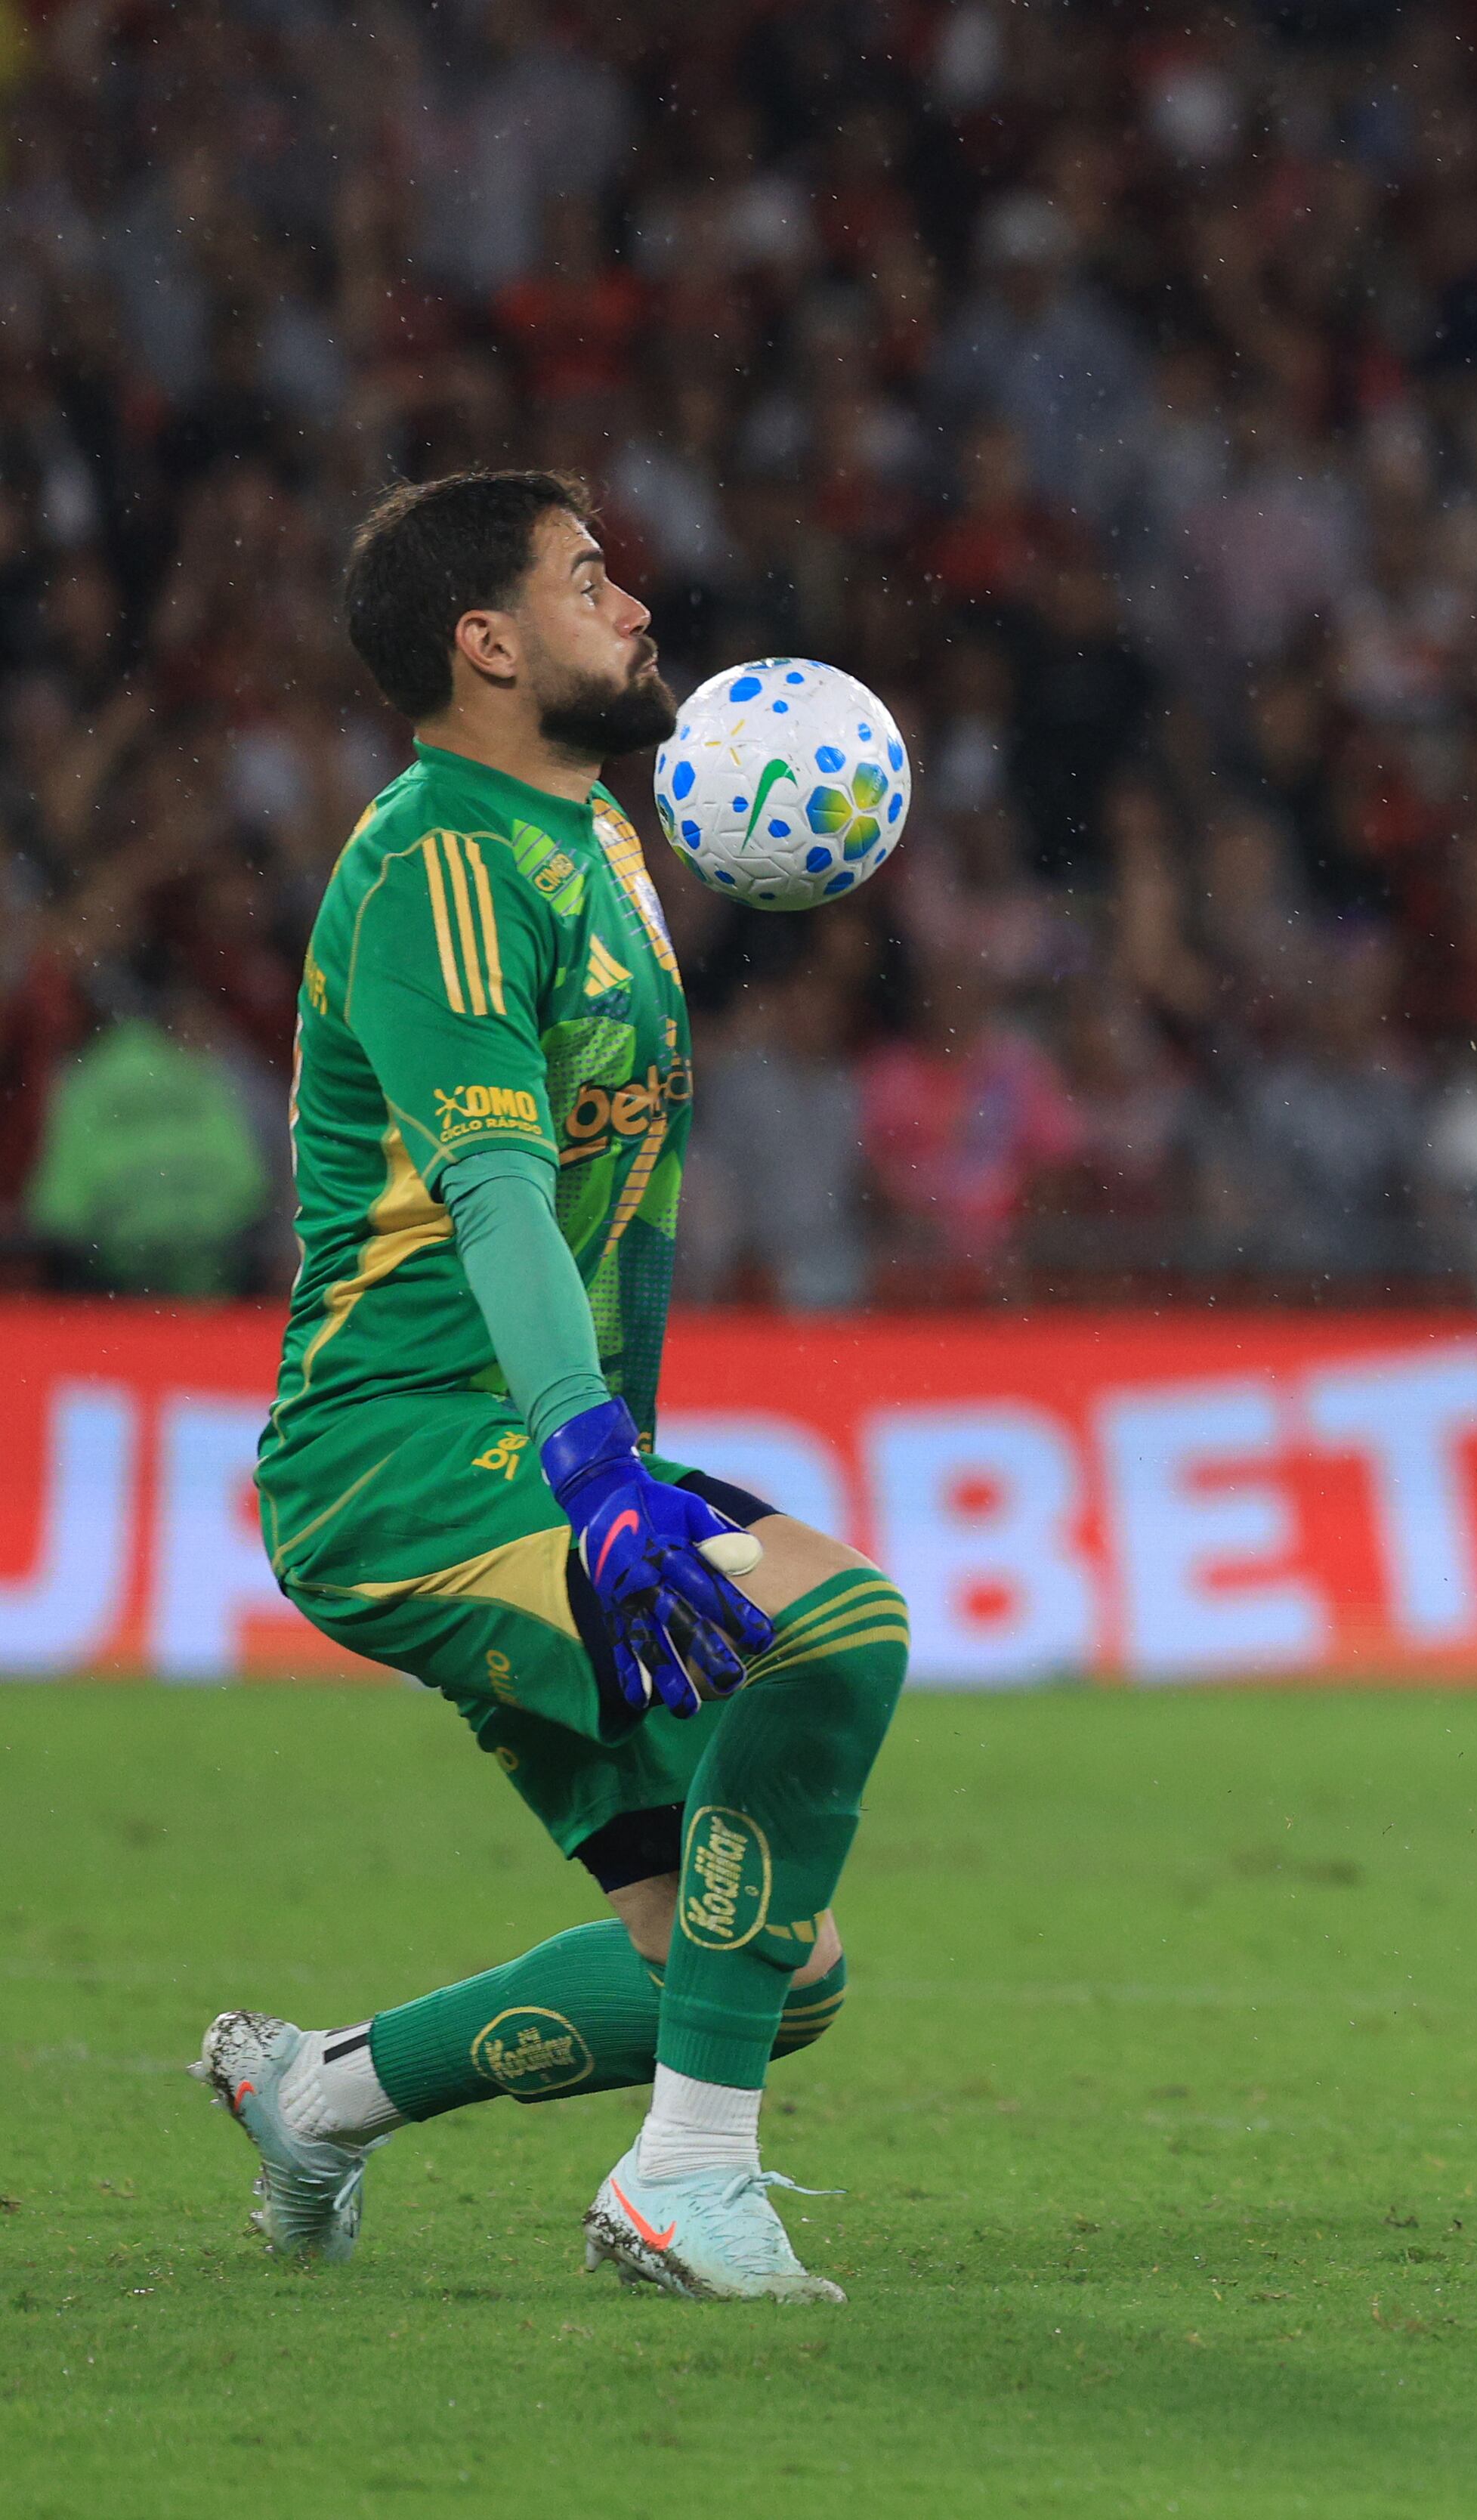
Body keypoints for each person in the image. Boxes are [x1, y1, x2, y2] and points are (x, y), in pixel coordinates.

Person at [192, 472, 911, 2304]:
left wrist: (619, 1453)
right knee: (836, 1630)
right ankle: (683, 2187)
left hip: (542, 1448)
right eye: (589, 580)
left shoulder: (590, 842)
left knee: (764, 1968)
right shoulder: (438, 858)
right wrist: (598, 1475)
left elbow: (610, 1197)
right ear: (485, 642)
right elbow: (496, 1180)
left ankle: (318, 2099)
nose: (636, 607)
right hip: (410, 1458)